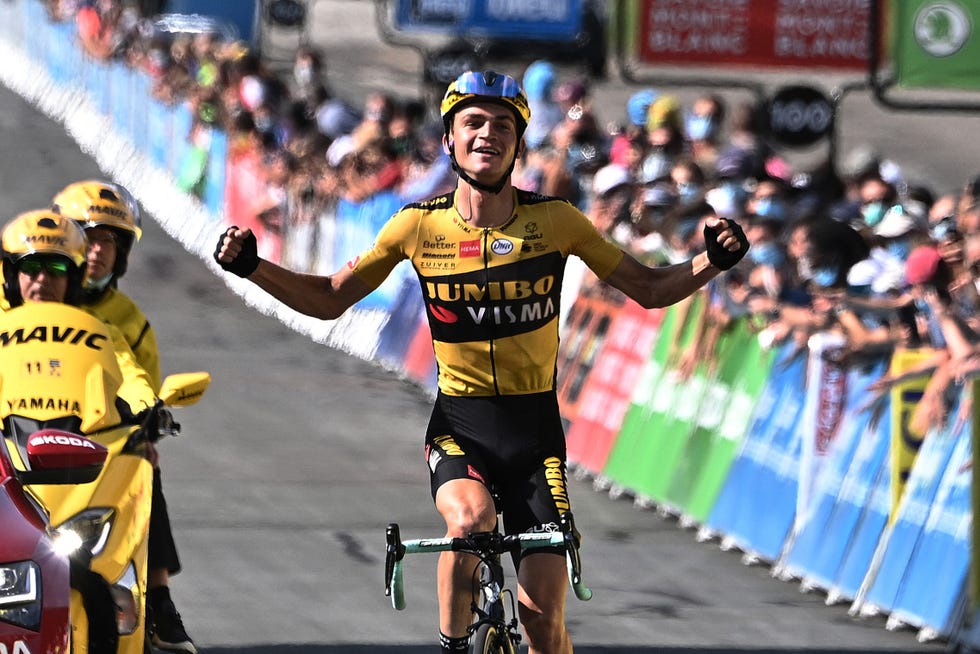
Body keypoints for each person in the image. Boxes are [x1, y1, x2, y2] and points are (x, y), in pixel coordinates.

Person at [213, 70, 749, 654]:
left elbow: (646, 287)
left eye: (502, 126)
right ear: (449, 140)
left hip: (535, 436)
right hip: (460, 428)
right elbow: (328, 298)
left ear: (519, 144)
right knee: (468, 525)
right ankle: (452, 646)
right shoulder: (417, 226)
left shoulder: (557, 222)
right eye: (472, 122)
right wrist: (253, 267)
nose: (487, 134)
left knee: (543, 624)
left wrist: (712, 263)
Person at [51, 181, 197, 654]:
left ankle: (157, 598)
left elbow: (144, 390)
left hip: (97, 447)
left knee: (146, 465)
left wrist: (149, 419)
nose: (96, 252)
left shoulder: (127, 322)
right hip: (16, 435)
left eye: (109, 242)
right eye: (87, 237)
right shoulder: (12, 296)